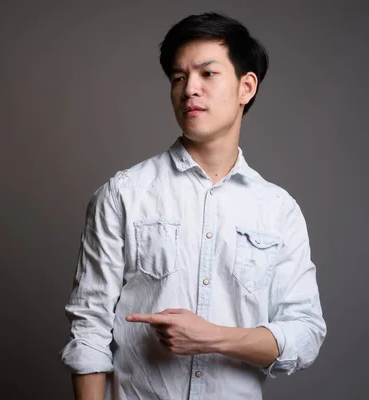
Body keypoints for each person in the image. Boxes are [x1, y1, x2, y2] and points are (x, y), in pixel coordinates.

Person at [59, 12, 327, 400]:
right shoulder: (123, 193)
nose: (189, 90)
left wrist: (214, 337)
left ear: (245, 87)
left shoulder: (278, 209)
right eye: (178, 77)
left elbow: (305, 334)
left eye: (207, 74)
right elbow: (88, 327)